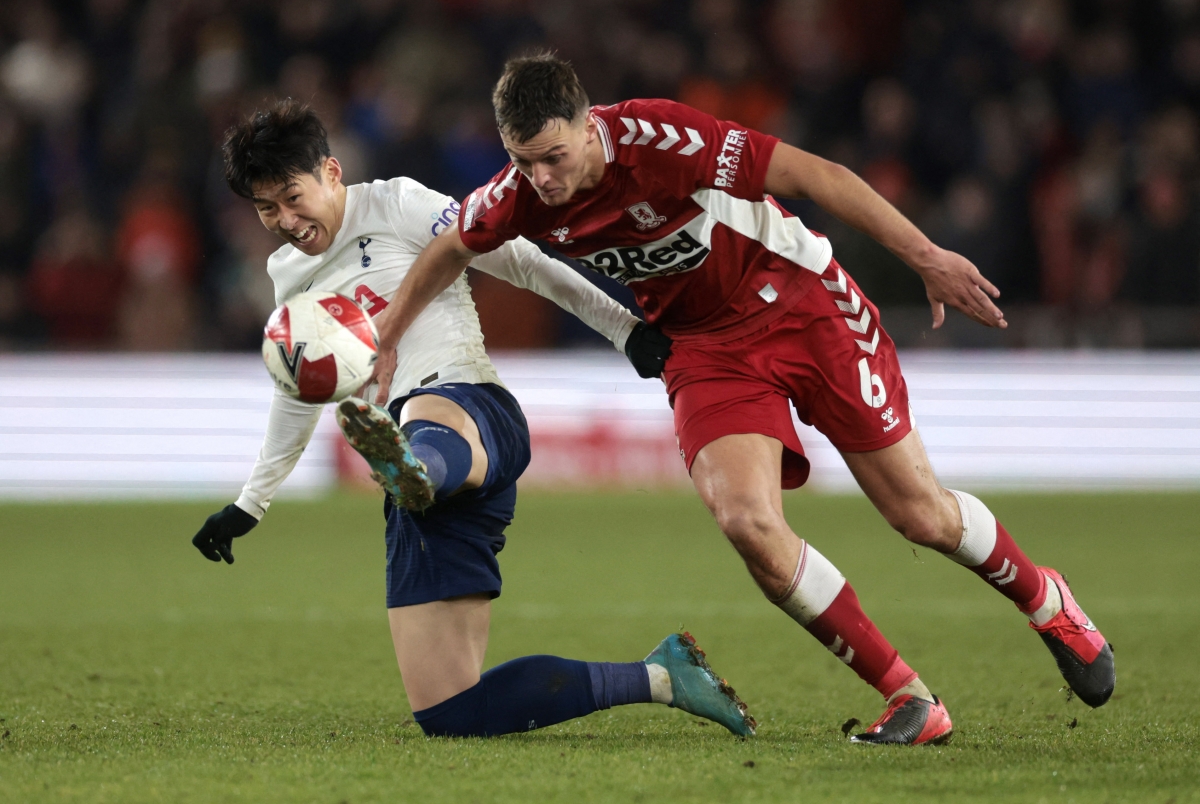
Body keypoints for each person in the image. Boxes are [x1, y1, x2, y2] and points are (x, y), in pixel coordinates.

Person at [366, 54, 1116, 745]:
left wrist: (926, 257)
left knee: (919, 515)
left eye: (554, 157)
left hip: (802, 304)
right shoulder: (518, 196)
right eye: (523, 162)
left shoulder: (666, 139)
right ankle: (908, 697)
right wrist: (390, 335)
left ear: (589, 127)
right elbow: (450, 248)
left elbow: (817, 176)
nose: (542, 180)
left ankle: (1047, 600)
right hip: (705, 348)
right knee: (747, 521)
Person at [190, 99, 755, 739]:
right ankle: (662, 677)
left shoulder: (397, 203)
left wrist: (623, 331)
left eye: (293, 197)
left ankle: (416, 466)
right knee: (451, 713)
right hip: (420, 480)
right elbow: (296, 390)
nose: (286, 221)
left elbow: (516, 258)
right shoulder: (288, 275)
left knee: (423, 424)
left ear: (331, 171)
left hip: (468, 404)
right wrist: (250, 503)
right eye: (267, 209)